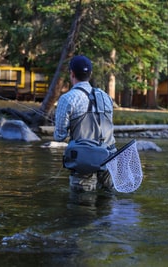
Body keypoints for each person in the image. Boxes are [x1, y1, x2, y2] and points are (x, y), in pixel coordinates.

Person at [54, 55, 116, 192]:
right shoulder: (106, 97)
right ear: (90, 74)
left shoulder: (67, 99)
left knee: (81, 207)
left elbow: (59, 136)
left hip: (84, 163)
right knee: (107, 204)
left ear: (72, 73)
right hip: (109, 160)